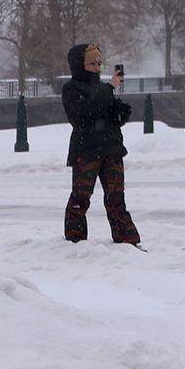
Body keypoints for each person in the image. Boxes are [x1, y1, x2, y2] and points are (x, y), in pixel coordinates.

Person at [61, 43, 140, 246]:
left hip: (111, 148)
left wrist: (120, 112)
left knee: (116, 197)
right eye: (92, 63)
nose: (97, 66)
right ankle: (75, 240)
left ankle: (127, 239)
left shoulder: (102, 88)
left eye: (99, 62)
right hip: (86, 150)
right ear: (80, 64)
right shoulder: (71, 89)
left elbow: (106, 112)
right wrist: (109, 89)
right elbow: (84, 113)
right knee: (81, 196)